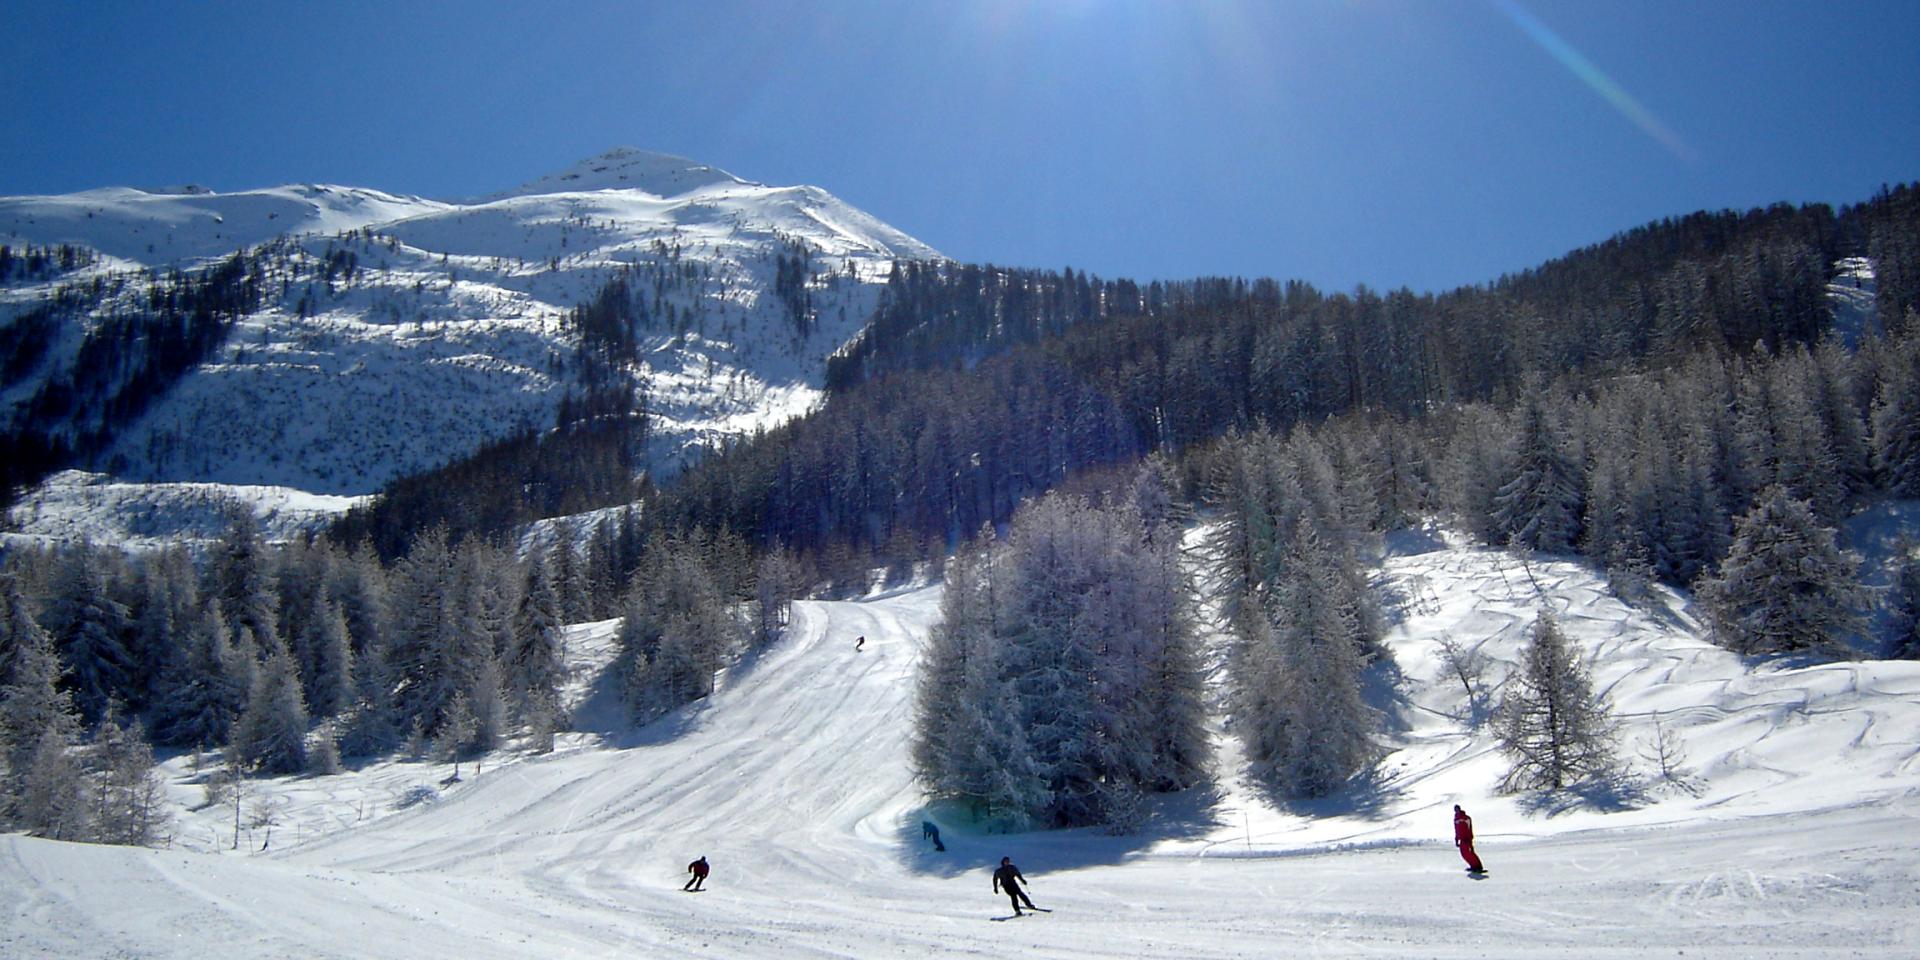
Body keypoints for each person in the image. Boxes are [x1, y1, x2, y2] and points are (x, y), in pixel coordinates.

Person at [1453, 805, 1485, 873]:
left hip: (1467, 838)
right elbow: (1456, 830)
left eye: (1457, 809)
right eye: (1455, 810)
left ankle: (1478, 866)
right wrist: (1456, 840)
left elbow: (1469, 828)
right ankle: (1472, 865)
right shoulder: (1456, 819)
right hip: (1461, 839)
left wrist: (1470, 838)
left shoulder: (1466, 818)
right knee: (1464, 854)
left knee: (1470, 853)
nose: (1457, 811)